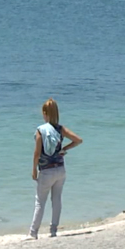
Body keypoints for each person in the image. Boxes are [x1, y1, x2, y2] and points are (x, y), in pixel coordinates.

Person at [25, 99, 82, 240]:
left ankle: (33, 232)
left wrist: (33, 169)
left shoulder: (40, 130)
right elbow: (78, 140)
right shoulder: (60, 129)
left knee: (40, 202)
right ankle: (53, 231)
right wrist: (64, 149)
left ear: (45, 113)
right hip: (60, 169)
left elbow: (37, 153)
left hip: (46, 171)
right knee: (56, 200)